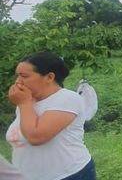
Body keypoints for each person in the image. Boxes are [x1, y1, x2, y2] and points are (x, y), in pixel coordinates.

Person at [5, 52, 95, 180]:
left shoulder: (67, 99)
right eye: (18, 76)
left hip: (68, 175)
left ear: (49, 77)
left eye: (24, 76)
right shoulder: (28, 100)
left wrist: (24, 103)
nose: (18, 82)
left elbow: (36, 137)